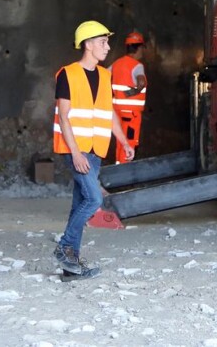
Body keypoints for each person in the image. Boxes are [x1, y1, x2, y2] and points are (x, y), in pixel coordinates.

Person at [52, 20, 133, 276]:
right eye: (102, 42)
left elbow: (108, 113)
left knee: (80, 203)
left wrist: (123, 141)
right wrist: (76, 154)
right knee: (94, 199)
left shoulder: (105, 75)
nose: (107, 47)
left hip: (97, 149)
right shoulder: (67, 74)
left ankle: (71, 268)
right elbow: (64, 117)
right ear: (88, 44)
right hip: (76, 148)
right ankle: (64, 248)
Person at [108, 31, 149, 163]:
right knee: (130, 144)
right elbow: (141, 82)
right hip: (131, 115)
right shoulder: (137, 66)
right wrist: (133, 91)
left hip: (117, 112)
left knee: (121, 142)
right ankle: (125, 171)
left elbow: (103, 77)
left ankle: (118, 168)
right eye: (142, 48)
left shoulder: (116, 64)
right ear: (139, 48)